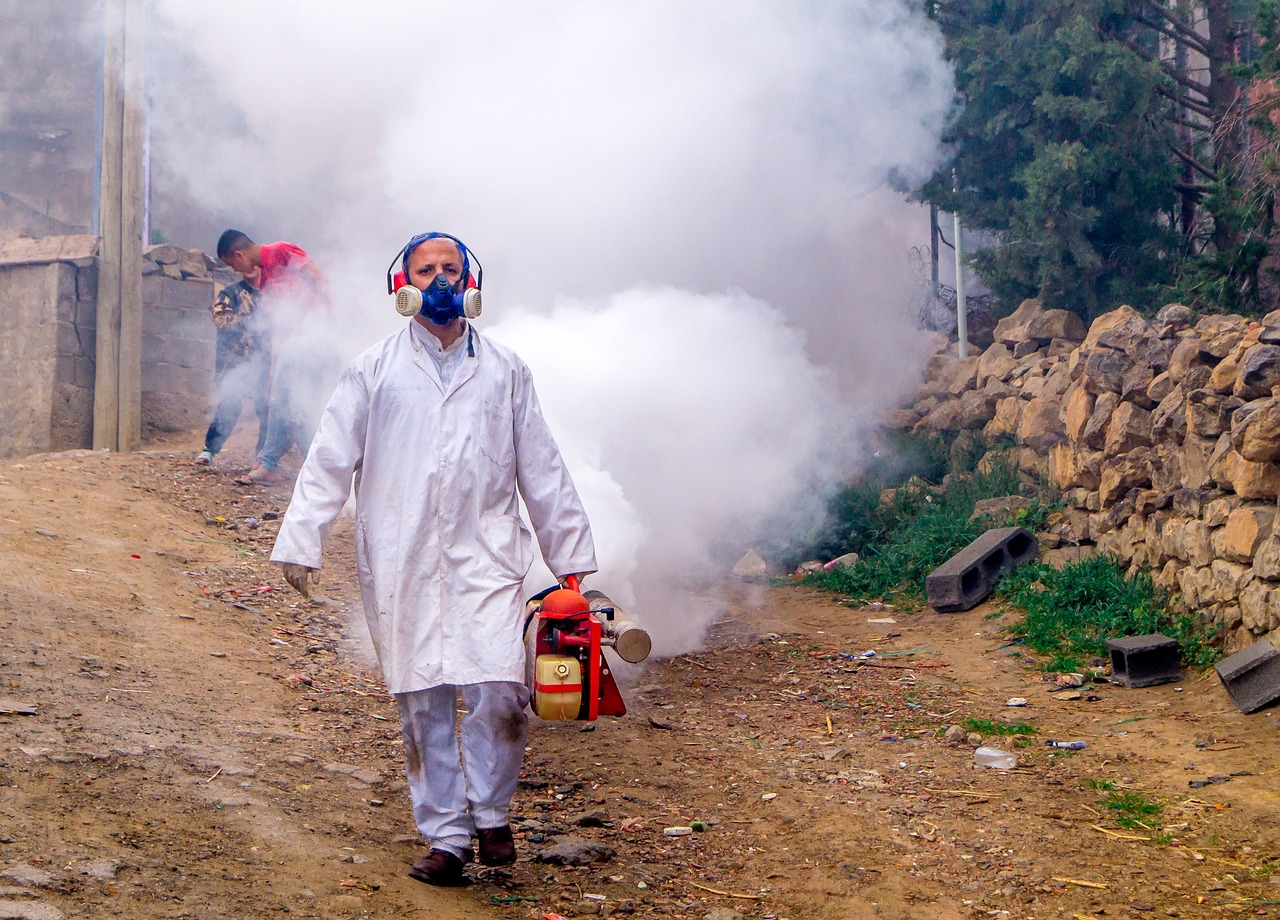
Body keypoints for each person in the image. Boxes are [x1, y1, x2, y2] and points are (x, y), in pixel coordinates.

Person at [269, 231, 597, 886]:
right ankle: (446, 837)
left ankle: (491, 813)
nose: (442, 278)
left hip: (486, 551)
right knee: (422, 698)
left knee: (501, 688)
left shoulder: (506, 371)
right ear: (402, 283)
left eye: (453, 268)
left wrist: (570, 556)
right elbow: (331, 458)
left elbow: (543, 465)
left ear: (472, 283)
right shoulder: (373, 370)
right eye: (428, 268)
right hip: (404, 552)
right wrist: (302, 539)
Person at [215, 229, 332, 485]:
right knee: (279, 401)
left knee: (300, 406)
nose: (235, 270)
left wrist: (325, 324)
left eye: (232, 264)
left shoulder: (281, 251)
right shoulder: (265, 280)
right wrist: (273, 370)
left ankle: (318, 468)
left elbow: (319, 277)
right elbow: (279, 325)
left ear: (239, 254)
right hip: (292, 346)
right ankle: (274, 464)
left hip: (314, 339)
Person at [194, 270, 270, 466]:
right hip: (233, 363)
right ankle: (209, 449)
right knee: (229, 406)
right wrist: (249, 321)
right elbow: (219, 319)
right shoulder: (230, 293)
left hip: (262, 364)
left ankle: (263, 458)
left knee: (266, 409)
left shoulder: (271, 294)